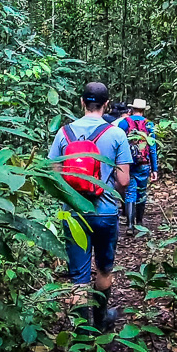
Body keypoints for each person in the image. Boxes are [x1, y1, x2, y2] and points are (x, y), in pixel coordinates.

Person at [48, 82, 132, 331]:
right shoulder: (116, 134)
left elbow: (54, 176)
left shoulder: (64, 133)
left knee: (78, 279)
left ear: (82, 103)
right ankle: (103, 319)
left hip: (74, 214)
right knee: (104, 269)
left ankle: (83, 339)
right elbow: (124, 181)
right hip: (105, 213)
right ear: (106, 104)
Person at [115, 98, 158, 235]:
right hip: (144, 164)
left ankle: (129, 225)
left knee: (130, 192)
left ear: (132, 109)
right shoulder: (149, 125)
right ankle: (139, 222)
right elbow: (152, 148)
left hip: (128, 163)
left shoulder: (123, 123)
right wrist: (154, 169)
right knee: (141, 192)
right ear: (144, 110)